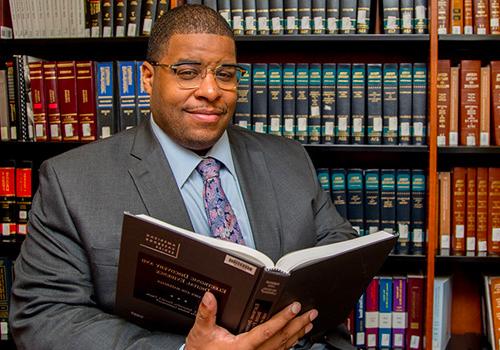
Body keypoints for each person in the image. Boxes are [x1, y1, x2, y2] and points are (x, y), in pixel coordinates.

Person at [10, 4, 357, 350]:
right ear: (148, 77)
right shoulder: (72, 181)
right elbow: (43, 315)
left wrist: (292, 330)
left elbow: (337, 252)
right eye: (188, 72)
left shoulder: (289, 159)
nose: (210, 91)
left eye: (225, 74)